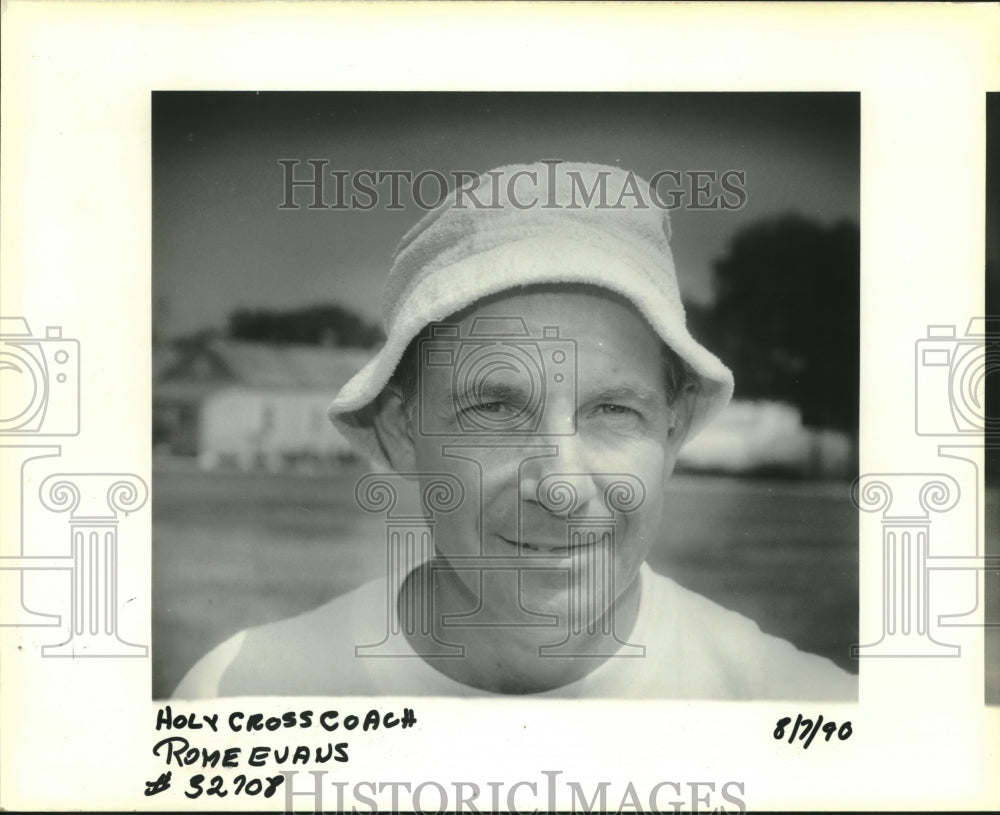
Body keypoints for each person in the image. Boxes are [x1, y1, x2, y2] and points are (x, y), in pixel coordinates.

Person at [174, 161, 856, 699]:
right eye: (495, 409)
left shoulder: (805, 716)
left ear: (672, 433)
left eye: (614, 410)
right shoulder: (242, 698)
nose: (559, 484)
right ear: (403, 431)